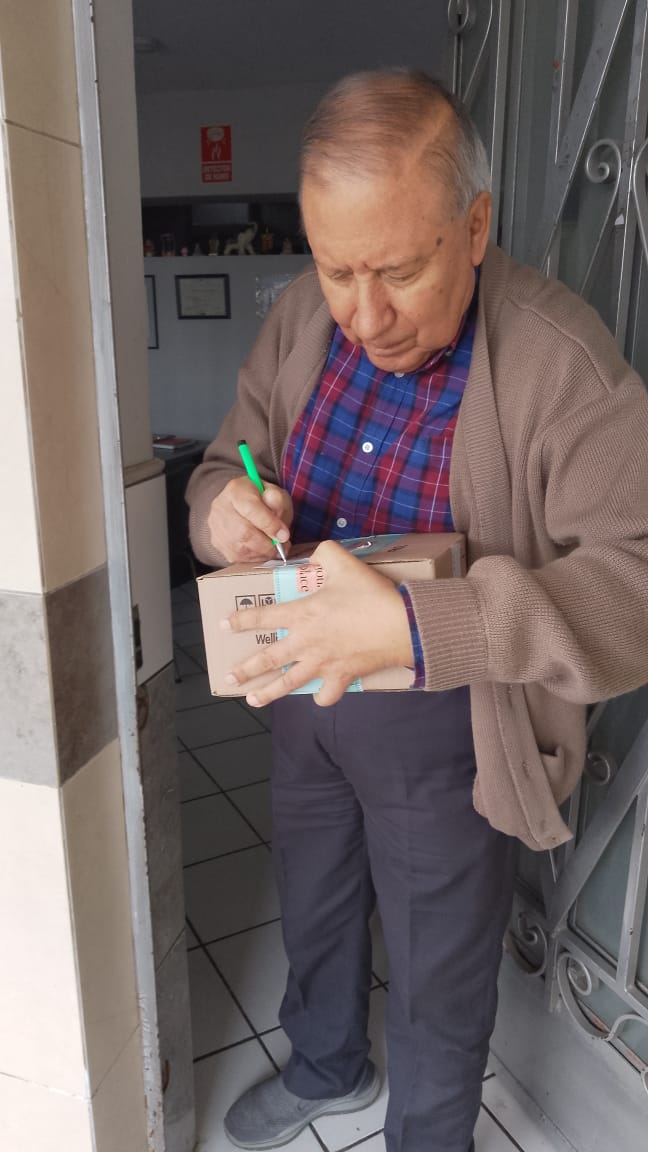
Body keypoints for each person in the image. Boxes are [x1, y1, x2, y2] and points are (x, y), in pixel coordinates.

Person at [186, 69, 648, 1152]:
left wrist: (416, 626)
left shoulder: (558, 360)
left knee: (440, 959)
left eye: (399, 270)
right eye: (336, 267)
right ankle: (329, 1064)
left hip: (450, 715)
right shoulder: (302, 321)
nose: (363, 313)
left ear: (475, 228)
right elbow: (216, 468)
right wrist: (222, 516)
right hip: (303, 685)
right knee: (314, 899)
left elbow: (636, 581)